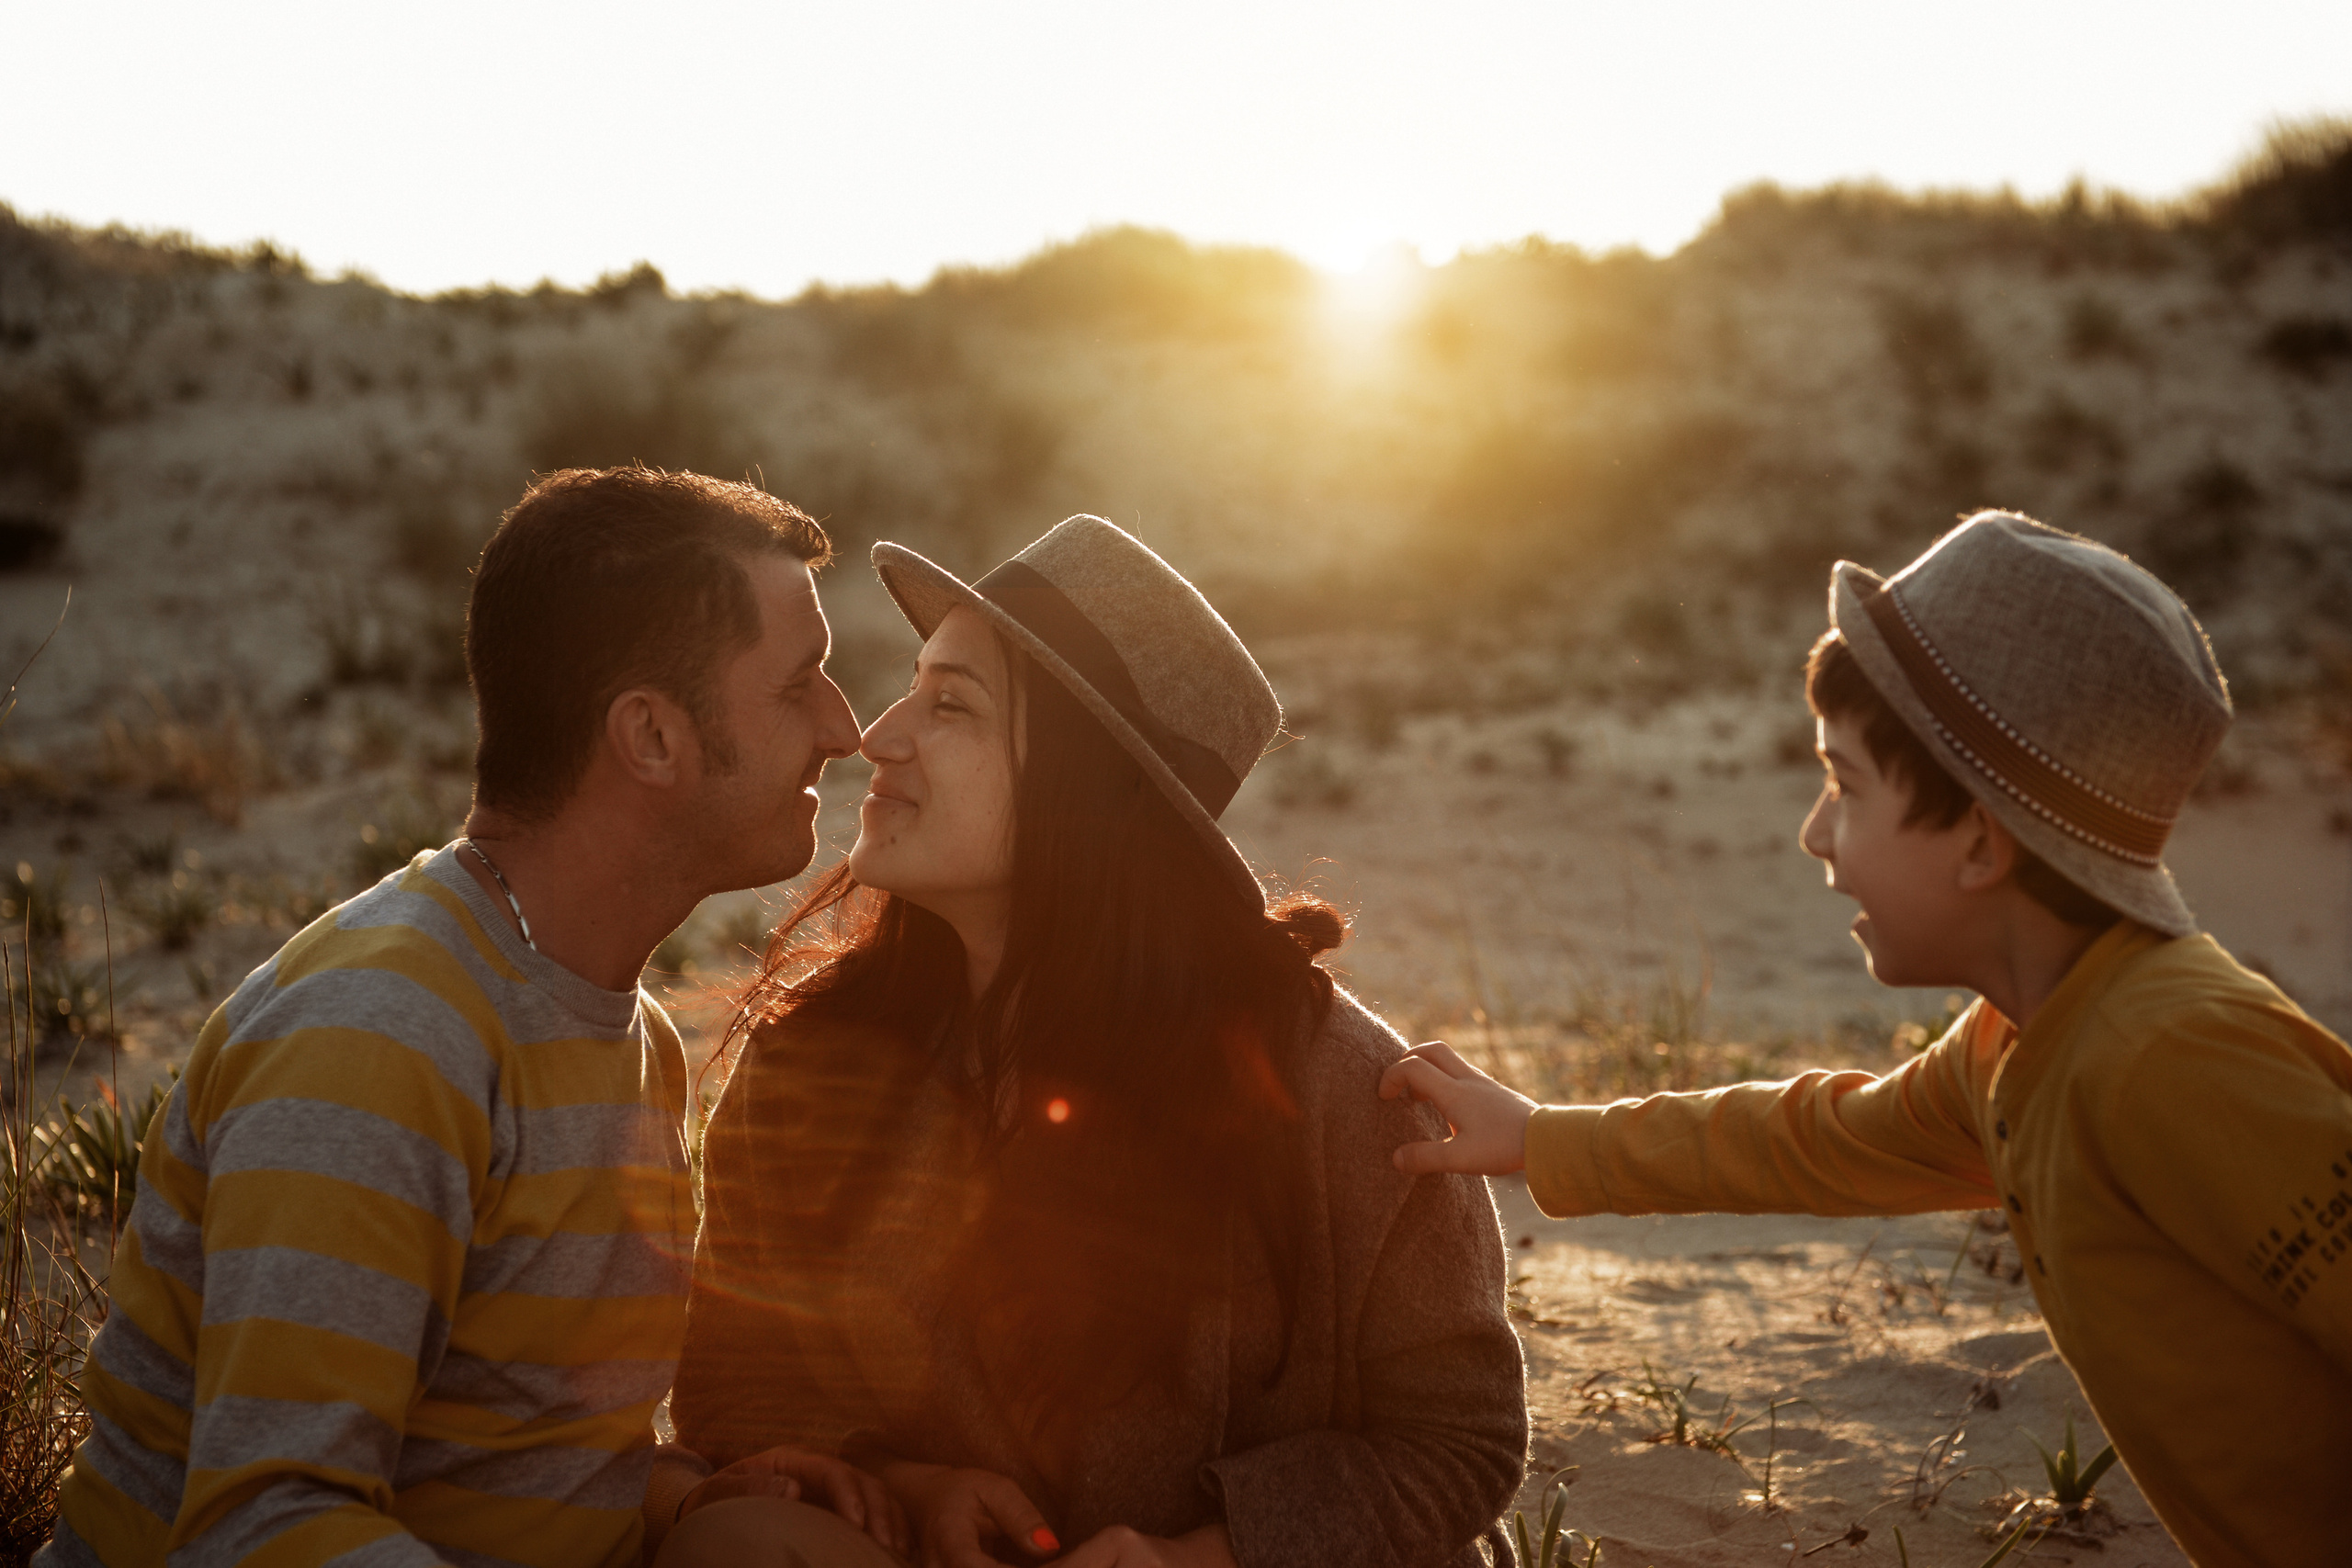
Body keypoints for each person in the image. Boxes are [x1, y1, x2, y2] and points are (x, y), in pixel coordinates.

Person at [1378, 511, 2352, 1568]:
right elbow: (1818, 1139)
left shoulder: (2169, 1056)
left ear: (1978, 840)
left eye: (1845, 785)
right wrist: (1541, 1138)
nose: (1814, 832)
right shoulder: (2014, 1046)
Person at [40, 467, 901, 1567]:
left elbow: (499, 1448)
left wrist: (685, 1495)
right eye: (797, 683)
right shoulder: (380, 1036)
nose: (845, 727)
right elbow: (262, 1527)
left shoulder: (623, 1032)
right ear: (650, 737)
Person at [658, 517, 1527, 1568]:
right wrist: (905, 1483)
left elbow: (1459, 1442)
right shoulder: (813, 1057)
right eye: (911, 687)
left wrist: (1198, 1555)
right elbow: (737, 1383)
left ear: (1093, 795)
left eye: (950, 706)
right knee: (736, 1542)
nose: (879, 737)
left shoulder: (1344, 1091)